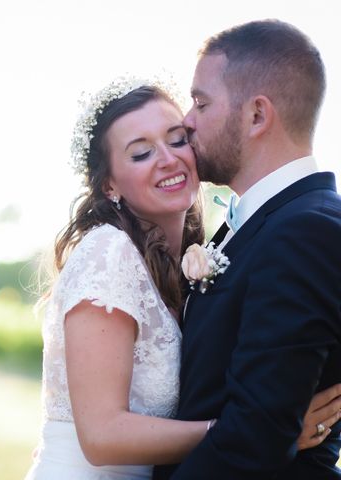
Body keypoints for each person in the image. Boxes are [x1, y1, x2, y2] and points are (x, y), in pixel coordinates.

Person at [24, 73, 340, 479]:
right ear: (109, 185)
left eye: (176, 140)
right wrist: (258, 433)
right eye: (140, 153)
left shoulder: (192, 255)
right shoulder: (109, 252)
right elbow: (101, 435)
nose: (168, 159)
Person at [153, 20, 341, 479]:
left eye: (201, 102)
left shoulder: (306, 231)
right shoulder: (262, 222)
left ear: (257, 115)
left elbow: (254, 440)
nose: (187, 120)